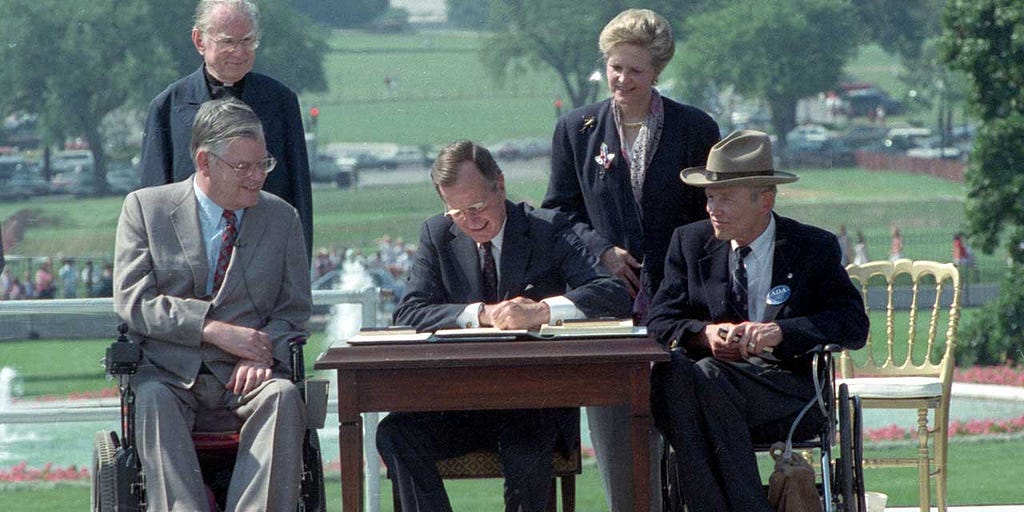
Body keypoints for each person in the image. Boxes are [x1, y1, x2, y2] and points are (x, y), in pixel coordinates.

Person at [377, 140, 631, 512]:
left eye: (478, 206)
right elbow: (410, 311)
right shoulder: (437, 235)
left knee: (526, 446)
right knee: (396, 433)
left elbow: (611, 293)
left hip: (534, 404)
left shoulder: (546, 229)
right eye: (458, 212)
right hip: (461, 404)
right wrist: (480, 313)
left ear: (501, 184)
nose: (471, 220)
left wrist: (541, 312)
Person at [540, 9, 720, 510]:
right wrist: (600, 249)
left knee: (683, 431)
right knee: (620, 442)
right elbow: (558, 213)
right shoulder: (577, 129)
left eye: (634, 71)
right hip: (607, 309)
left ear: (657, 72)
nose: (621, 79)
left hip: (681, 303)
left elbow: (713, 214)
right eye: (614, 68)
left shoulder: (695, 128)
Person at [647, 130, 869, 511]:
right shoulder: (689, 243)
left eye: (726, 199)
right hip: (712, 385)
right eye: (710, 197)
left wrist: (780, 332)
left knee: (700, 378)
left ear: (765, 200)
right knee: (678, 374)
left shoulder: (811, 248)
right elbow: (660, 321)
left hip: (785, 388)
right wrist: (705, 333)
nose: (712, 209)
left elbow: (852, 324)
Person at [113, 97, 311, 511]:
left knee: (283, 396)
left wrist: (263, 352)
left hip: (246, 379)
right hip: (170, 374)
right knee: (152, 401)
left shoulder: (282, 219)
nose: (257, 177)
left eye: (263, 164)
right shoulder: (146, 210)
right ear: (205, 162)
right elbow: (134, 301)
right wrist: (211, 329)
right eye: (244, 167)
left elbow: (293, 310)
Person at [140, 0, 313, 259]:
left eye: (247, 41)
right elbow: (152, 205)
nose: (239, 52)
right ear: (200, 41)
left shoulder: (281, 102)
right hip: (190, 266)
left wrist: (299, 274)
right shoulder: (167, 108)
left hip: (264, 262)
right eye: (227, 42)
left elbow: (299, 196)